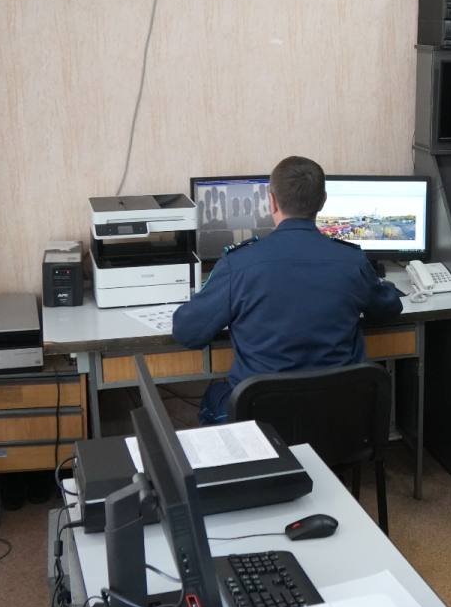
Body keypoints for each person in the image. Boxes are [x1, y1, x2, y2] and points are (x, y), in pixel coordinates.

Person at [172, 155, 403, 424]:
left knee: (215, 395)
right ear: (323, 201)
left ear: (271, 201)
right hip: (337, 418)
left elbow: (188, 333)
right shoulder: (353, 261)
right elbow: (388, 309)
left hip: (262, 423)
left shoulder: (238, 264)